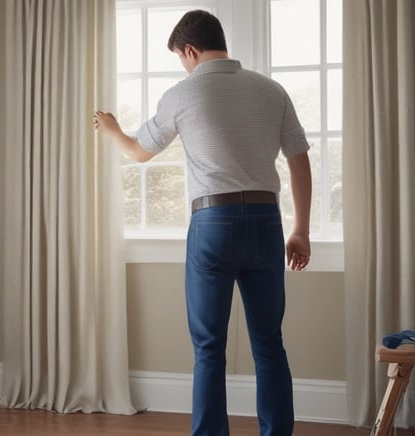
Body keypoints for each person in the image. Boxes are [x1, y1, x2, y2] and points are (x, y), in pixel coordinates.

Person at [94, 9, 312, 436]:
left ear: (189, 50)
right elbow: (299, 159)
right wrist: (300, 229)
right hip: (266, 221)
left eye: (180, 57)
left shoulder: (183, 93)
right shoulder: (271, 90)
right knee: (269, 343)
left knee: (209, 348)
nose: (183, 64)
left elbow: (139, 152)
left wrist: (112, 130)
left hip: (213, 223)